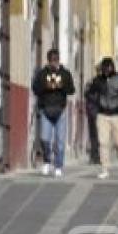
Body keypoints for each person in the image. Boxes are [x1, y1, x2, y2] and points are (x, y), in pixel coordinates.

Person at [87, 57, 118, 180]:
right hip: (102, 114)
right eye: (104, 68)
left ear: (113, 67)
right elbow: (89, 93)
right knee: (103, 143)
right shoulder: (98, 81)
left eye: (108, 68)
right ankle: (105, 169)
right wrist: (97, 101)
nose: (106, 71)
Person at [31, 48, 75, 177]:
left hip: (60, 110)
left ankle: (58, 165)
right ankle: (47, 161)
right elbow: (35, 88)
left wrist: (61, 85)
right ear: (48, 60)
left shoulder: (65, 74)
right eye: (52, 60)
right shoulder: (42, 74)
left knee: (60, 141)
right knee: (45, 139)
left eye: (56, 60)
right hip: (45, 110)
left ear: (59, 60)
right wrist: (46, 85)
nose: (54, 63)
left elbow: (71, 90)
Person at [84, 63, 102, 164]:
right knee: (94, 135)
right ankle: (94, 156)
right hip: (94, 112)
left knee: (97, 135)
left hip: (96, 112)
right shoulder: (92, 83)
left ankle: (96, 156)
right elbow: (86, 94)